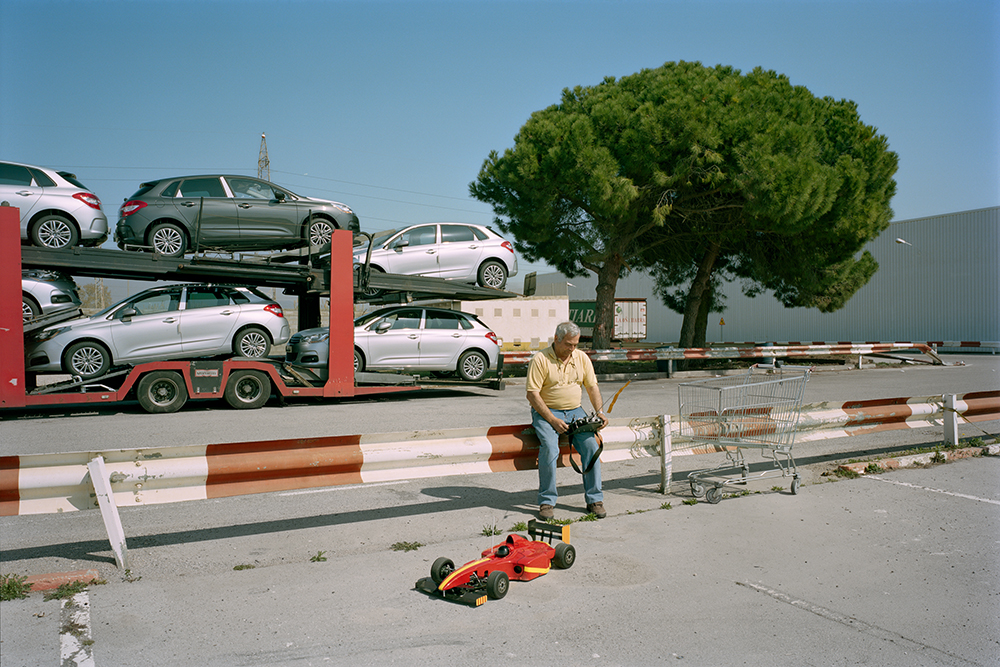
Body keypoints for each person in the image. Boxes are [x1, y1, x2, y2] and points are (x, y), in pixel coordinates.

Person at [526, 321, 609, 520]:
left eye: (575, 344)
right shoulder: (540, 359)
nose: (572, 349)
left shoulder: (581, 358)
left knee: (591, 446)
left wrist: (600, 413)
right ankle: (547, 501)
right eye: (568, 345)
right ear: (556, 339)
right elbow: (532, 395)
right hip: (547, 412)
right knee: (550, 448)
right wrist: (553, 420)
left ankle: (594, 499)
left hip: (575, 411)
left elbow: (592, 387)